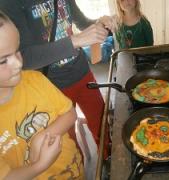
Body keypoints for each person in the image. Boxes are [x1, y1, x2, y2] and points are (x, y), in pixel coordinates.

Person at [0, 0, 115, 149]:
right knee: (67, 140)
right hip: (51, 85)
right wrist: (75, 41)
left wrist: (101, 24)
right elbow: (25, 57)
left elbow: (82, 22)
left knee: (102, 125)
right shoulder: (10, 4)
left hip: (82, 72)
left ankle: (107, 160)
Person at [0, 11, 84, 179]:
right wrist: (40, 166)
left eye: (17, 51)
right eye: (3, 60)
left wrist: (43, 136)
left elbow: (70, 113)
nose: (18, 63)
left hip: (75, 170)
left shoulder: (35, 80)